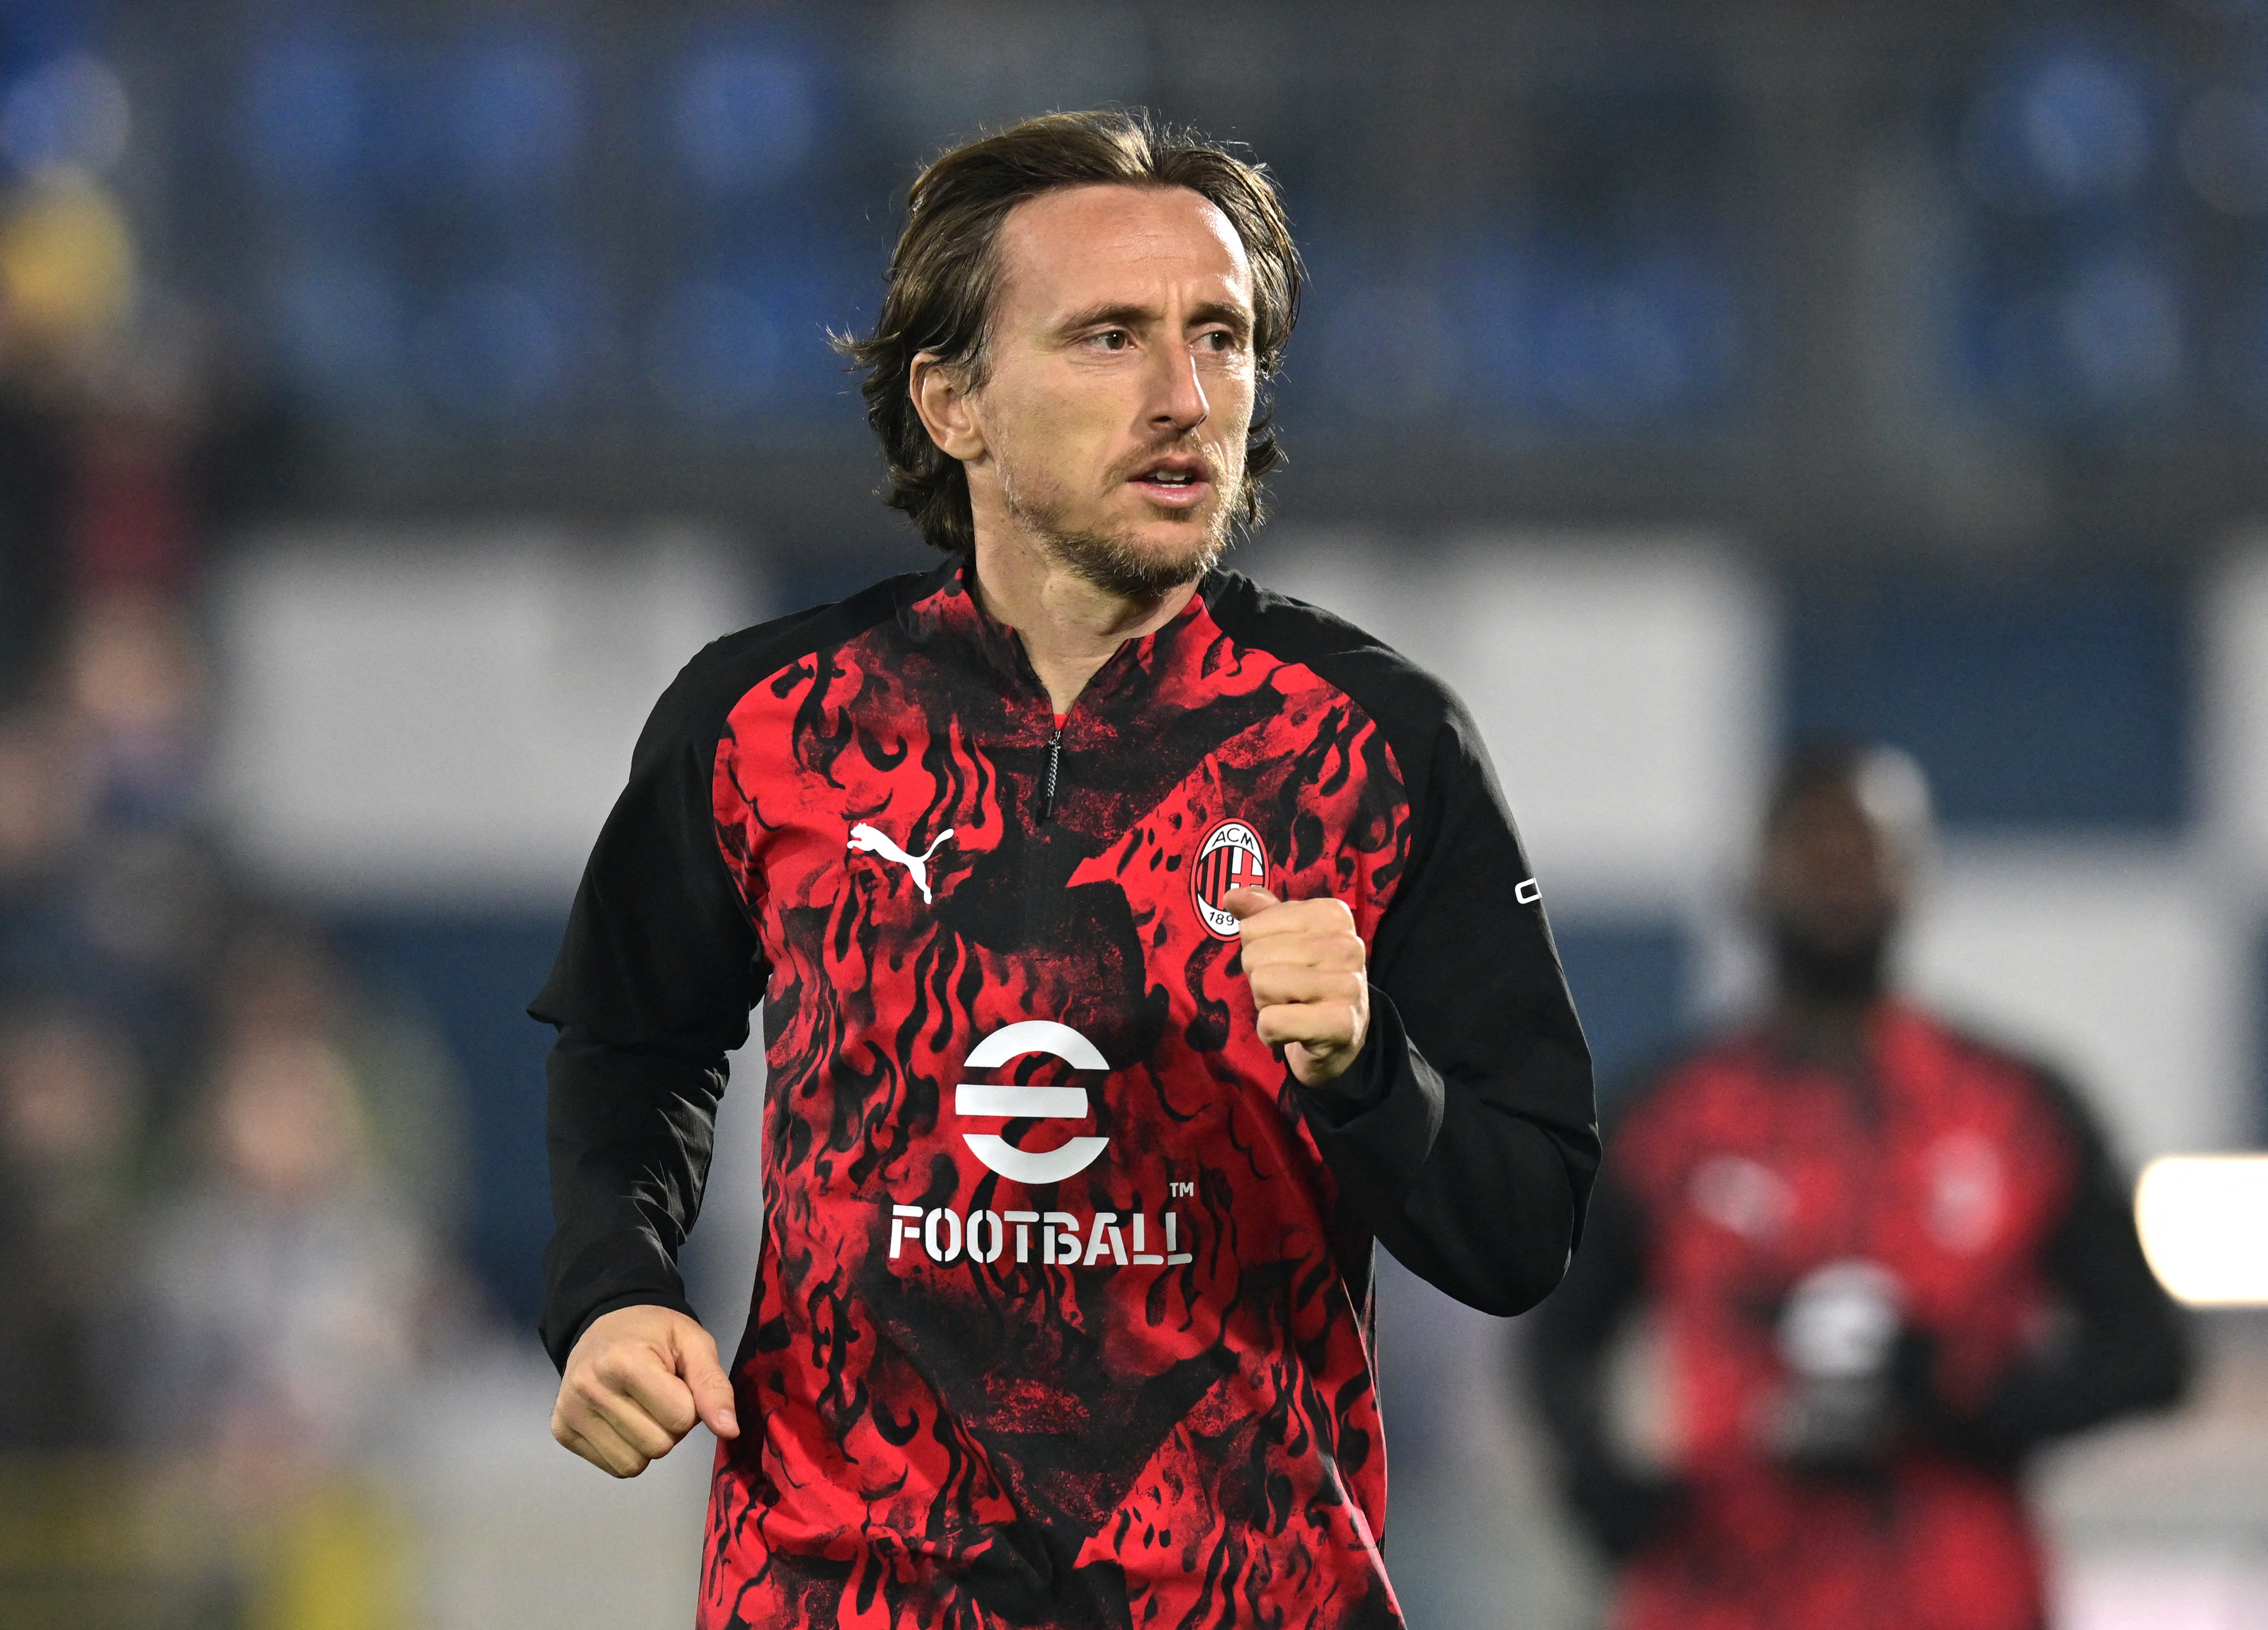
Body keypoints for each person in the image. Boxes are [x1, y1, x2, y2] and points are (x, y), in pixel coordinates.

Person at [532, 109, 1597, 1629]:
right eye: (1109, 338)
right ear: (954, 401)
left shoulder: (1378, 742)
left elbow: (1524, 1227)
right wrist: (613, 1290)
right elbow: (632, 1049)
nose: (1184, 397)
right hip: (847, 1589)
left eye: (1219, 338)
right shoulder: (764, 721)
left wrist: (1368, 1072)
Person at [1527, 743, 2191, 1630]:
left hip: (1960, 1593)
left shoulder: (2017, 1109)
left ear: (1914, 876)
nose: (1838, 873)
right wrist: (1598, 1485)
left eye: (1865, 848)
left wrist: (1971, 1402)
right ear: (1753, 878)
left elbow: (2149, 1355)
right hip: (1724, 1593)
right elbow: (1557, 1333)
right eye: (1811, 847)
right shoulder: (1667, 1118)